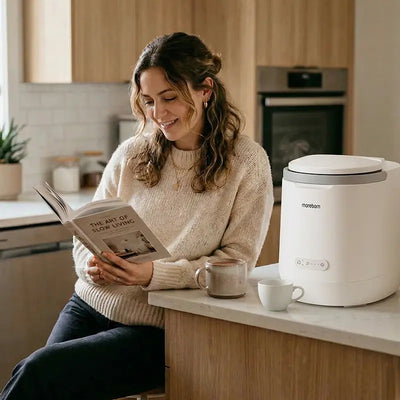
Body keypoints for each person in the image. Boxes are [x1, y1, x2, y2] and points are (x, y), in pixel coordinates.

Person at [0, 32, 274, 400]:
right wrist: (91, 266)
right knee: (39, 377)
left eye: (169, 98)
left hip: (157, 328)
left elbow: (236, 263)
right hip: (89, 302)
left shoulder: (247, 162)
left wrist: (153, 274)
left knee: (37, 373)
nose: (157, 114)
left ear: (205, 90)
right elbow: (84, 236)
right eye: (147, 101)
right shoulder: (131, 153)